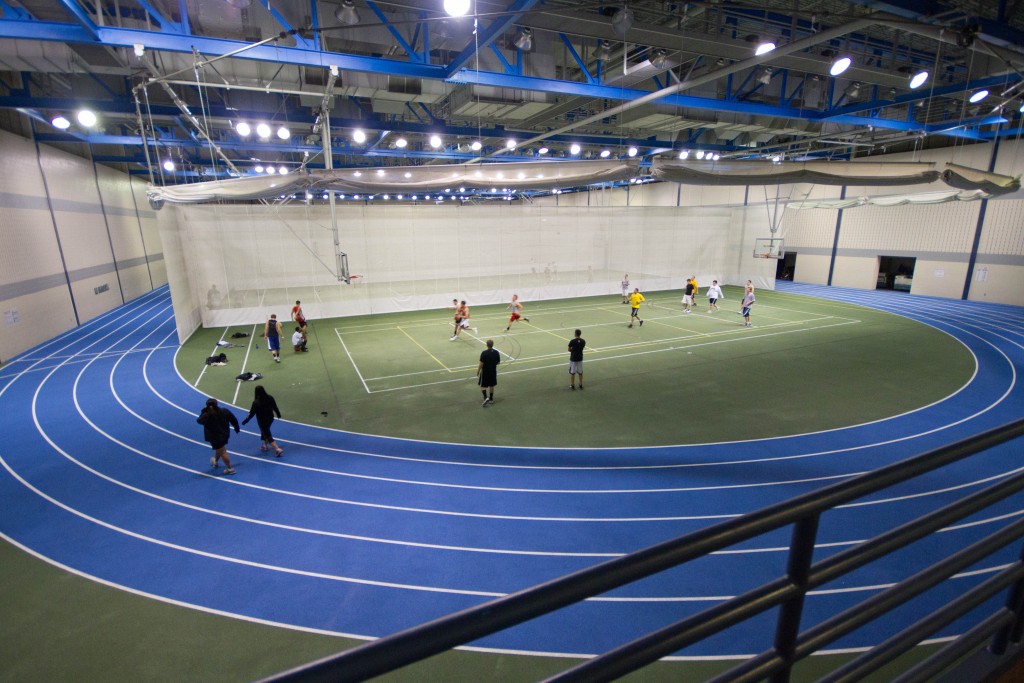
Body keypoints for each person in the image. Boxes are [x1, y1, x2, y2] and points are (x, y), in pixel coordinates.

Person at [197, 397, 240, 475]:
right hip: (225, 434)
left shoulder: (206, 415)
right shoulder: (224, 411)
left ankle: (230, 468)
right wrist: (236, 428)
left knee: (223, 451)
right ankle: (215, 461)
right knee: (219, 448)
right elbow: (233, 419)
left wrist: (203, 412)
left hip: (214, 437)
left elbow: (199, 421)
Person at [241, 385, 284, 457]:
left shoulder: (256, 402)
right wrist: (278, 414)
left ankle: (277, 449)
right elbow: (274, 406)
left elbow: (252, 413)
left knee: (267, 434)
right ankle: (264, 445)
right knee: (265, 431)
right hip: (270, 418)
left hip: (262, 420)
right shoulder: (270, 397)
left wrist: (246, 420)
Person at [477, 339, 500, 406]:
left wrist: (478, 371)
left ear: (487, 345)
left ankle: (485, 397)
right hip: (493, 371)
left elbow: (481, 363)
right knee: (491, 385)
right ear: (492, 345)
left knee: (482, 385)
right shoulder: (496, 352)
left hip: (485, 371)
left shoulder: (484, 353)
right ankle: (491, 399)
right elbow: (498, 362)